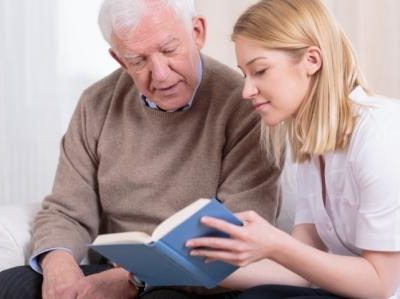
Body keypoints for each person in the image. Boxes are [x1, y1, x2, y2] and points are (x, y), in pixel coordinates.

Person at [0, 0, 282, 298]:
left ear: (197, 32)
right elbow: (66, 210)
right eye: (138, 60)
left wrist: (136, 278)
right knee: (10, 285)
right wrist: (59, 267)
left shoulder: (246, 105)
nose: (160, 74)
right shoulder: (96, 103)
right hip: (108, 272)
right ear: (119, 59)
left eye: (169, 50)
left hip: (194, 281)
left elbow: (237, 237)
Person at [186, 0, 400, 298]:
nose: (246, 90)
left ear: (312, 60)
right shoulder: (312, 146)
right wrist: (193, 268)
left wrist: (276, 243)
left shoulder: (379, 135)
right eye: (244, 74)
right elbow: (297, 271)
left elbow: (380, 284)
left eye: (259, 70)